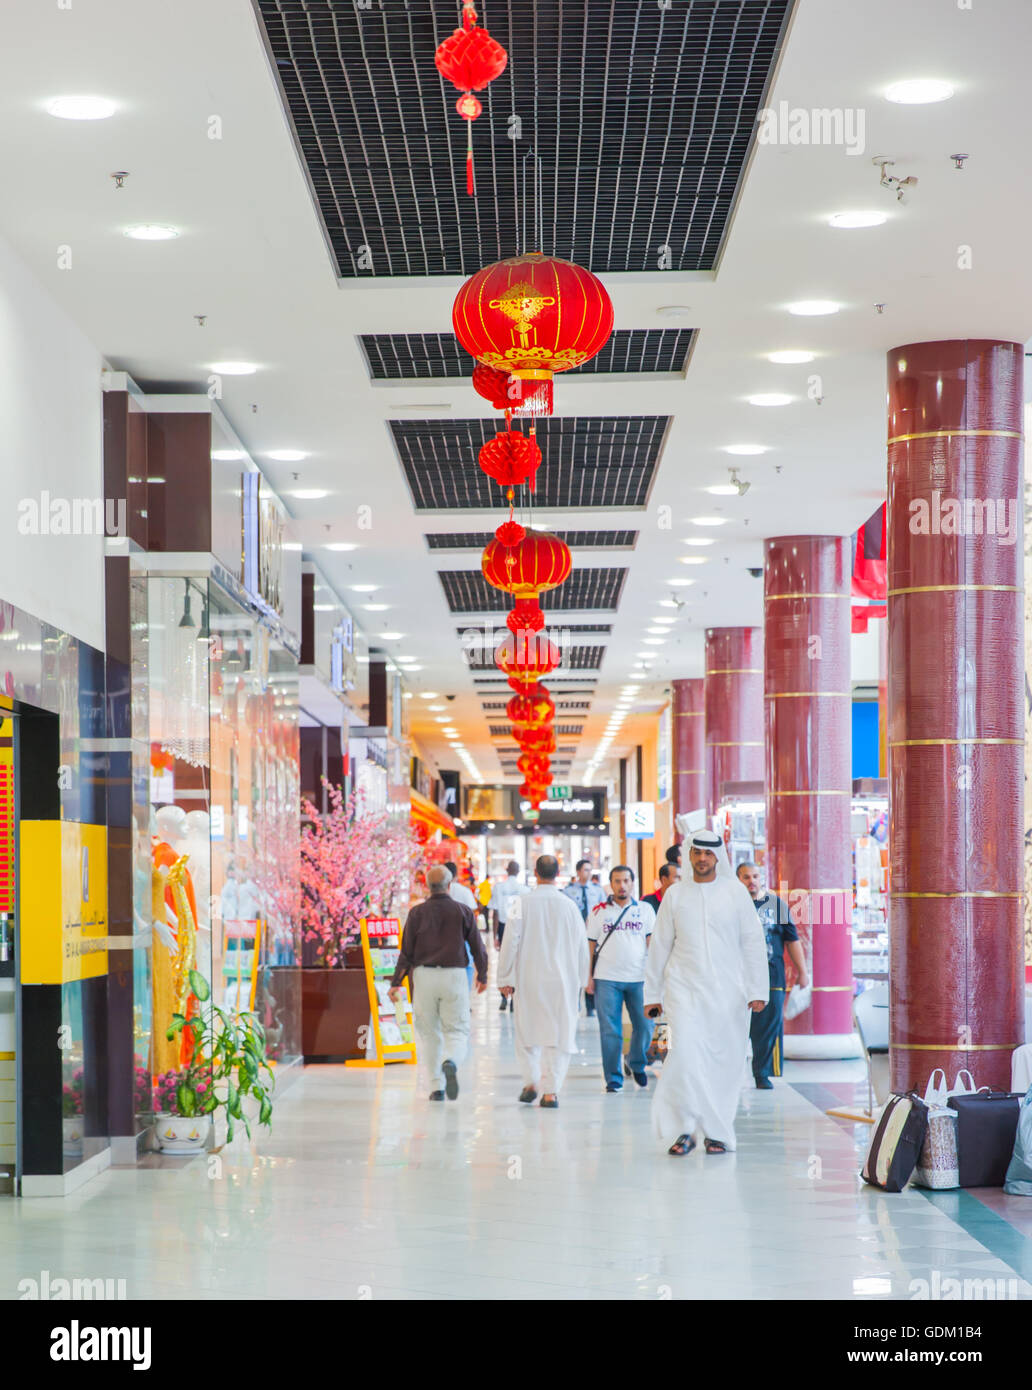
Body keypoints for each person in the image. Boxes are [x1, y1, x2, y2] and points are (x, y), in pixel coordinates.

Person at [644, 829, 768, 1156]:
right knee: (685, 1056)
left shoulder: (735, 893)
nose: (702, 859)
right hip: (684, 989)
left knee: (723, 1063)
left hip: (730, 992)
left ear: (718, 856)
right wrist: (651, 994)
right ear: (689, 855)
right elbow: (659, 946)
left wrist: (757, 989)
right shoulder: (674, 895)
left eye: (708, 854)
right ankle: (683, 1130)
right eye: (697, 853)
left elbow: (753, 943)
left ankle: (716, 1132)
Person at [389, 865, 488, 1102]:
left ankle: (436, 1087)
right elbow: (478, 947)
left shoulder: (416, 913)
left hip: (423, 977)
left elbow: (406, 952)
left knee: (429, 1032)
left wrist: (396, 982)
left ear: (426, 886)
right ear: (450, 885)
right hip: (454, 976)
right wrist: (482, 975)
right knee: (457, 1030)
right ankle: (451, 1061)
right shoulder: (462, 911)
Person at [497, 855, 589, 1108]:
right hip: (563, 980)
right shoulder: (569, 906)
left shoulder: (519, 903)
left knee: (526, 1033)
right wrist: (583, 979)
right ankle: (551, 1092)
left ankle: (531, 1082)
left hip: (529, 978)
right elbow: (583, 946)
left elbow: (509, 942)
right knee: (559, 1035)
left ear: (535, 873)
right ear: (558, 873)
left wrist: (505, 977)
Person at [736, 862, 809, 1089]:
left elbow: (792, 939)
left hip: (772, 975)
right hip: (738, 977)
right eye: (746, 877)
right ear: (738, 880)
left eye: (755, 876)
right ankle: (732, 1073)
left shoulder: (775, 904)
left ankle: (762, 1072)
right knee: (736, 1025)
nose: (752, 881)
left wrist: (802, 971)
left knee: (768, 1026)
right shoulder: (731, 906)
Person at [588, 866, 655, 1092]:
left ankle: (636, 1062)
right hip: (606, 978)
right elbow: (589, 948)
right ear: (611, 884)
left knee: (645, 1025)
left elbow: (652, 946)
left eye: (626, 880)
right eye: (617, 881)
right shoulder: (598, 912)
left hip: (639, 978)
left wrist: (657, 978)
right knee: (610, 1030)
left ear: (632, 883)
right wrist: (588, 977)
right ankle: (613, 1078)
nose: (622, 885)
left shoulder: (645, 910)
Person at [561, 859, 607, 1018]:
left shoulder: (598, 890)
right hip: (574, 936)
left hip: (593, 936)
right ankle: (575, 1001)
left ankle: (590, 1005)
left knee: (590, 968)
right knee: (574, 968)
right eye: (585, 870)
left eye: (590, 870)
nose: (588, 873)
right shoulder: (568, 892)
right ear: (578, 872)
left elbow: (604, 910)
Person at [489, 860, 529, 1012]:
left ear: (507, 870)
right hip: (520, 927)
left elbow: (495, 913)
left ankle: (503, 998)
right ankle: (514, 999)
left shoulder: (499, 888)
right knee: (518, 962)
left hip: (503, 926)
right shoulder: (524, 890)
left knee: (504, 961)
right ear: (518, 871)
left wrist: (495, 936)